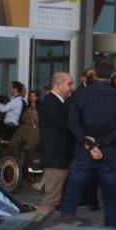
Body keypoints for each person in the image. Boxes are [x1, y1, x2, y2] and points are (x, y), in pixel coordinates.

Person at [61, 59, 116, 226]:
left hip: (83, 152)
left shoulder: (81, 94)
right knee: (111, 203)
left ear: (94, 73)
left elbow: (73, 123)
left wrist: (89, 143)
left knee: (71, 200)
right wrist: (102, 142)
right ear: (113, 74)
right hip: (109, 153)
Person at [35, 71, 75, 215]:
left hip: (60, 158)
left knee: (57, 201)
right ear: (59, 85)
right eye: (69, 84)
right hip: (56, 159)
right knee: (51, 201)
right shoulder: (51, 103)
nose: (72, 87)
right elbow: (65, 126)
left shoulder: (58, 102)